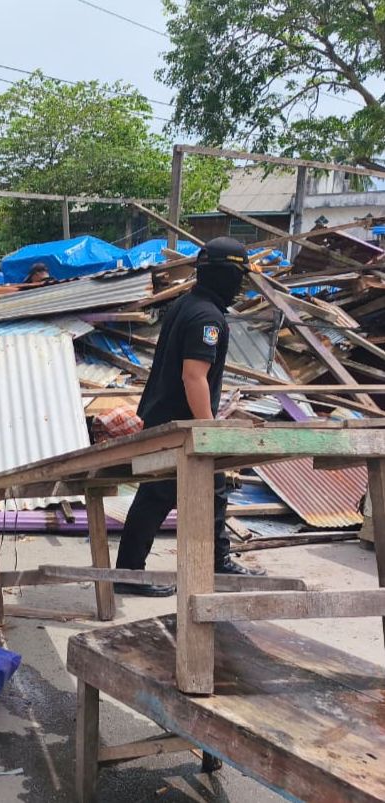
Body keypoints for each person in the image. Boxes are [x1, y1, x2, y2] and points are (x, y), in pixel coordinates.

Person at [113, 236, 265, 597]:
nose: (243, 285)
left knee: (201, 494)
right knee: (158, 497)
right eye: (241, 277)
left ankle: (213, 563)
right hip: (180, 426)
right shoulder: (207, 317)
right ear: (227, 275)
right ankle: (130, 574)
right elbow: (193, 375)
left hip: (165, 418)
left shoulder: (188, 304)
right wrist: (207, 429)